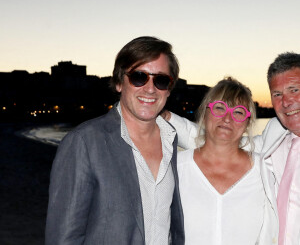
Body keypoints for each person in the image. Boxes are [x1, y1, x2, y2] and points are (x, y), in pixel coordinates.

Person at [45, 36, 185, 245]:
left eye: (161, 80)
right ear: (119, 82)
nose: (150, 88)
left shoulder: (171, 140)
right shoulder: (84, 142)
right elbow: (63, 238)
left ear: (169, 89)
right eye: (139, 77)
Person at [169, 52, 300, 245]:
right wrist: (164, 117)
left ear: (247, 121)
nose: (287, 101)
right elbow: (221, 141)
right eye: (277, 94)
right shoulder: (275, 136)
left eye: (295, 89)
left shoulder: (260, 168)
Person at [174, 77, 276, 244]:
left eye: (238, 112)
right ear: (204, 113)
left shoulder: (266, 172)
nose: (227, 118)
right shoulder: (175, 168)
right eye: (219, 108)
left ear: (248, 122)